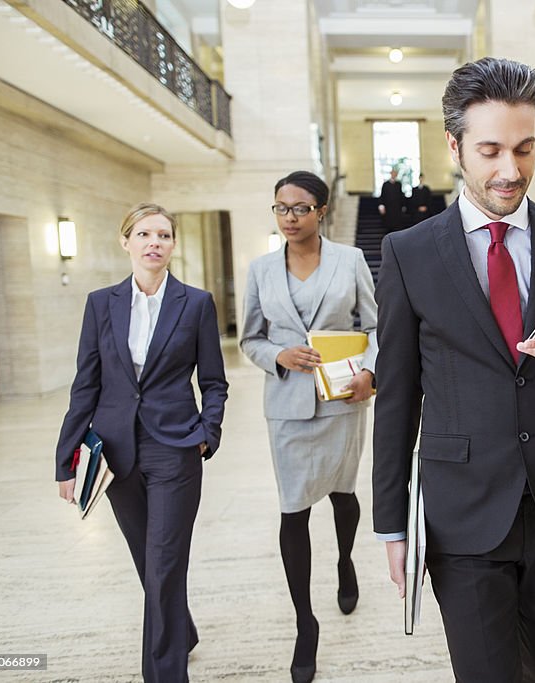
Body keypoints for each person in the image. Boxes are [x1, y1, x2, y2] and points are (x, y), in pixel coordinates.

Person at [372, 57, 535, 682]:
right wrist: (392, 522)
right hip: (462, 508)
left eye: (525, 149)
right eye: (491, 151)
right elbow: (396, 396)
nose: (511, 170)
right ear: (455, 147)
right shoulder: (409, 253)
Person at [55, 203, 228, 683]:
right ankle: (182, 630)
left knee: (165, 562)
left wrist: (206, 433)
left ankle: (165, 674)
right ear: (126, 241)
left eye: (164, 235)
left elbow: (213, 380)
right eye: (144, 233)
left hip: (175, 449)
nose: (155, 242)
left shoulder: (195, 303)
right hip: (115, 453)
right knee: (146, 559)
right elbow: (85, 384)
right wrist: (65, 461)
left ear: (173, 245)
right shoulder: (100, 303)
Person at [240, 171, 377, 683]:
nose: (289, 218)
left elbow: (374, 324)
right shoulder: (260, 271)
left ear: (321, 210)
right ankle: (305, 621)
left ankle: (345, 560)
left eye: (300, 208)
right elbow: (250, 338)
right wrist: (279, 353)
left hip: (342, 400)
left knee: (343, 492)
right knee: (292, 510)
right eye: (280, 208)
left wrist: (370, 371)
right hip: (288, 409)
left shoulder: (351, 260)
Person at [377, 168, 406, 233]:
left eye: (395, 173)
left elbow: (401, 196)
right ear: (390, 174)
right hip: (388, 209)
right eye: (393, 173)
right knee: (388, 226)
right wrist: (381, 206)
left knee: (397, 227)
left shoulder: (398, 184)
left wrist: (403, 206)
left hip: (397, 209)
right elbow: (382, 196)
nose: (394, 174)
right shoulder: (385, 184)